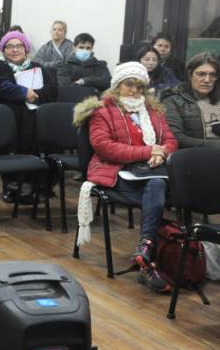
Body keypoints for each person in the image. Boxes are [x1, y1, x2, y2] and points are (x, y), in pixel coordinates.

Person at [73, 61, 178, 292]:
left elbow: (170, 140)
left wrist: (161, 155)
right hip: (113, 171)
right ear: (117, 86)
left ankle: (146, 252)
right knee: (158, 186)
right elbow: (104, 148)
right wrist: (149, 151)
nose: (135, 91)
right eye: (129, 85)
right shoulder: (102, 111)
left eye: (140, 86)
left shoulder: (154, 112)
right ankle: (149, 257)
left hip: (150, 170)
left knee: (157, 184)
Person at [0, 29, 57, 202]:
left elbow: (51, 91)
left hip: (34, 118)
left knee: (42, 128)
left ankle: (39, 184)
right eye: (9, 47)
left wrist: (34, 95)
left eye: (19, 46)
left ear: (26, 49)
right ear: (3, 50)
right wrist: (23, 93)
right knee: (23, 121)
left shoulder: (37, 67)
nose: (14, 50)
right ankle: (15, 184)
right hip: (6, 120)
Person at [162, 52, 220, 149]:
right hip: (193, 157)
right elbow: (176, 138)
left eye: (212, 75)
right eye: (201, 74)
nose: (207, 80)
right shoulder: (173, 100)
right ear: (190, 74)